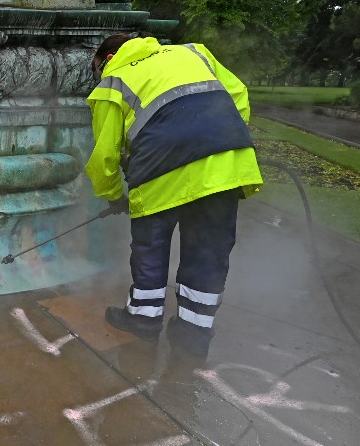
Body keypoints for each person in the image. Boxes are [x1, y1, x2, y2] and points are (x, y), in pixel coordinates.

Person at [84, 33, 263, 357]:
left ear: (108, 58)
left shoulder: (116, 80)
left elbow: (104, 157)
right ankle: (193, 334)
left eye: (97, 70)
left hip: (159, 169)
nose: (100, 76)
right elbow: (238, 94)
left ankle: (144, 320)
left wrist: (113, 196)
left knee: (151, 246)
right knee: (209, 250)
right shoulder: (195, 53)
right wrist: (216, 141)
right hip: (224, 165)